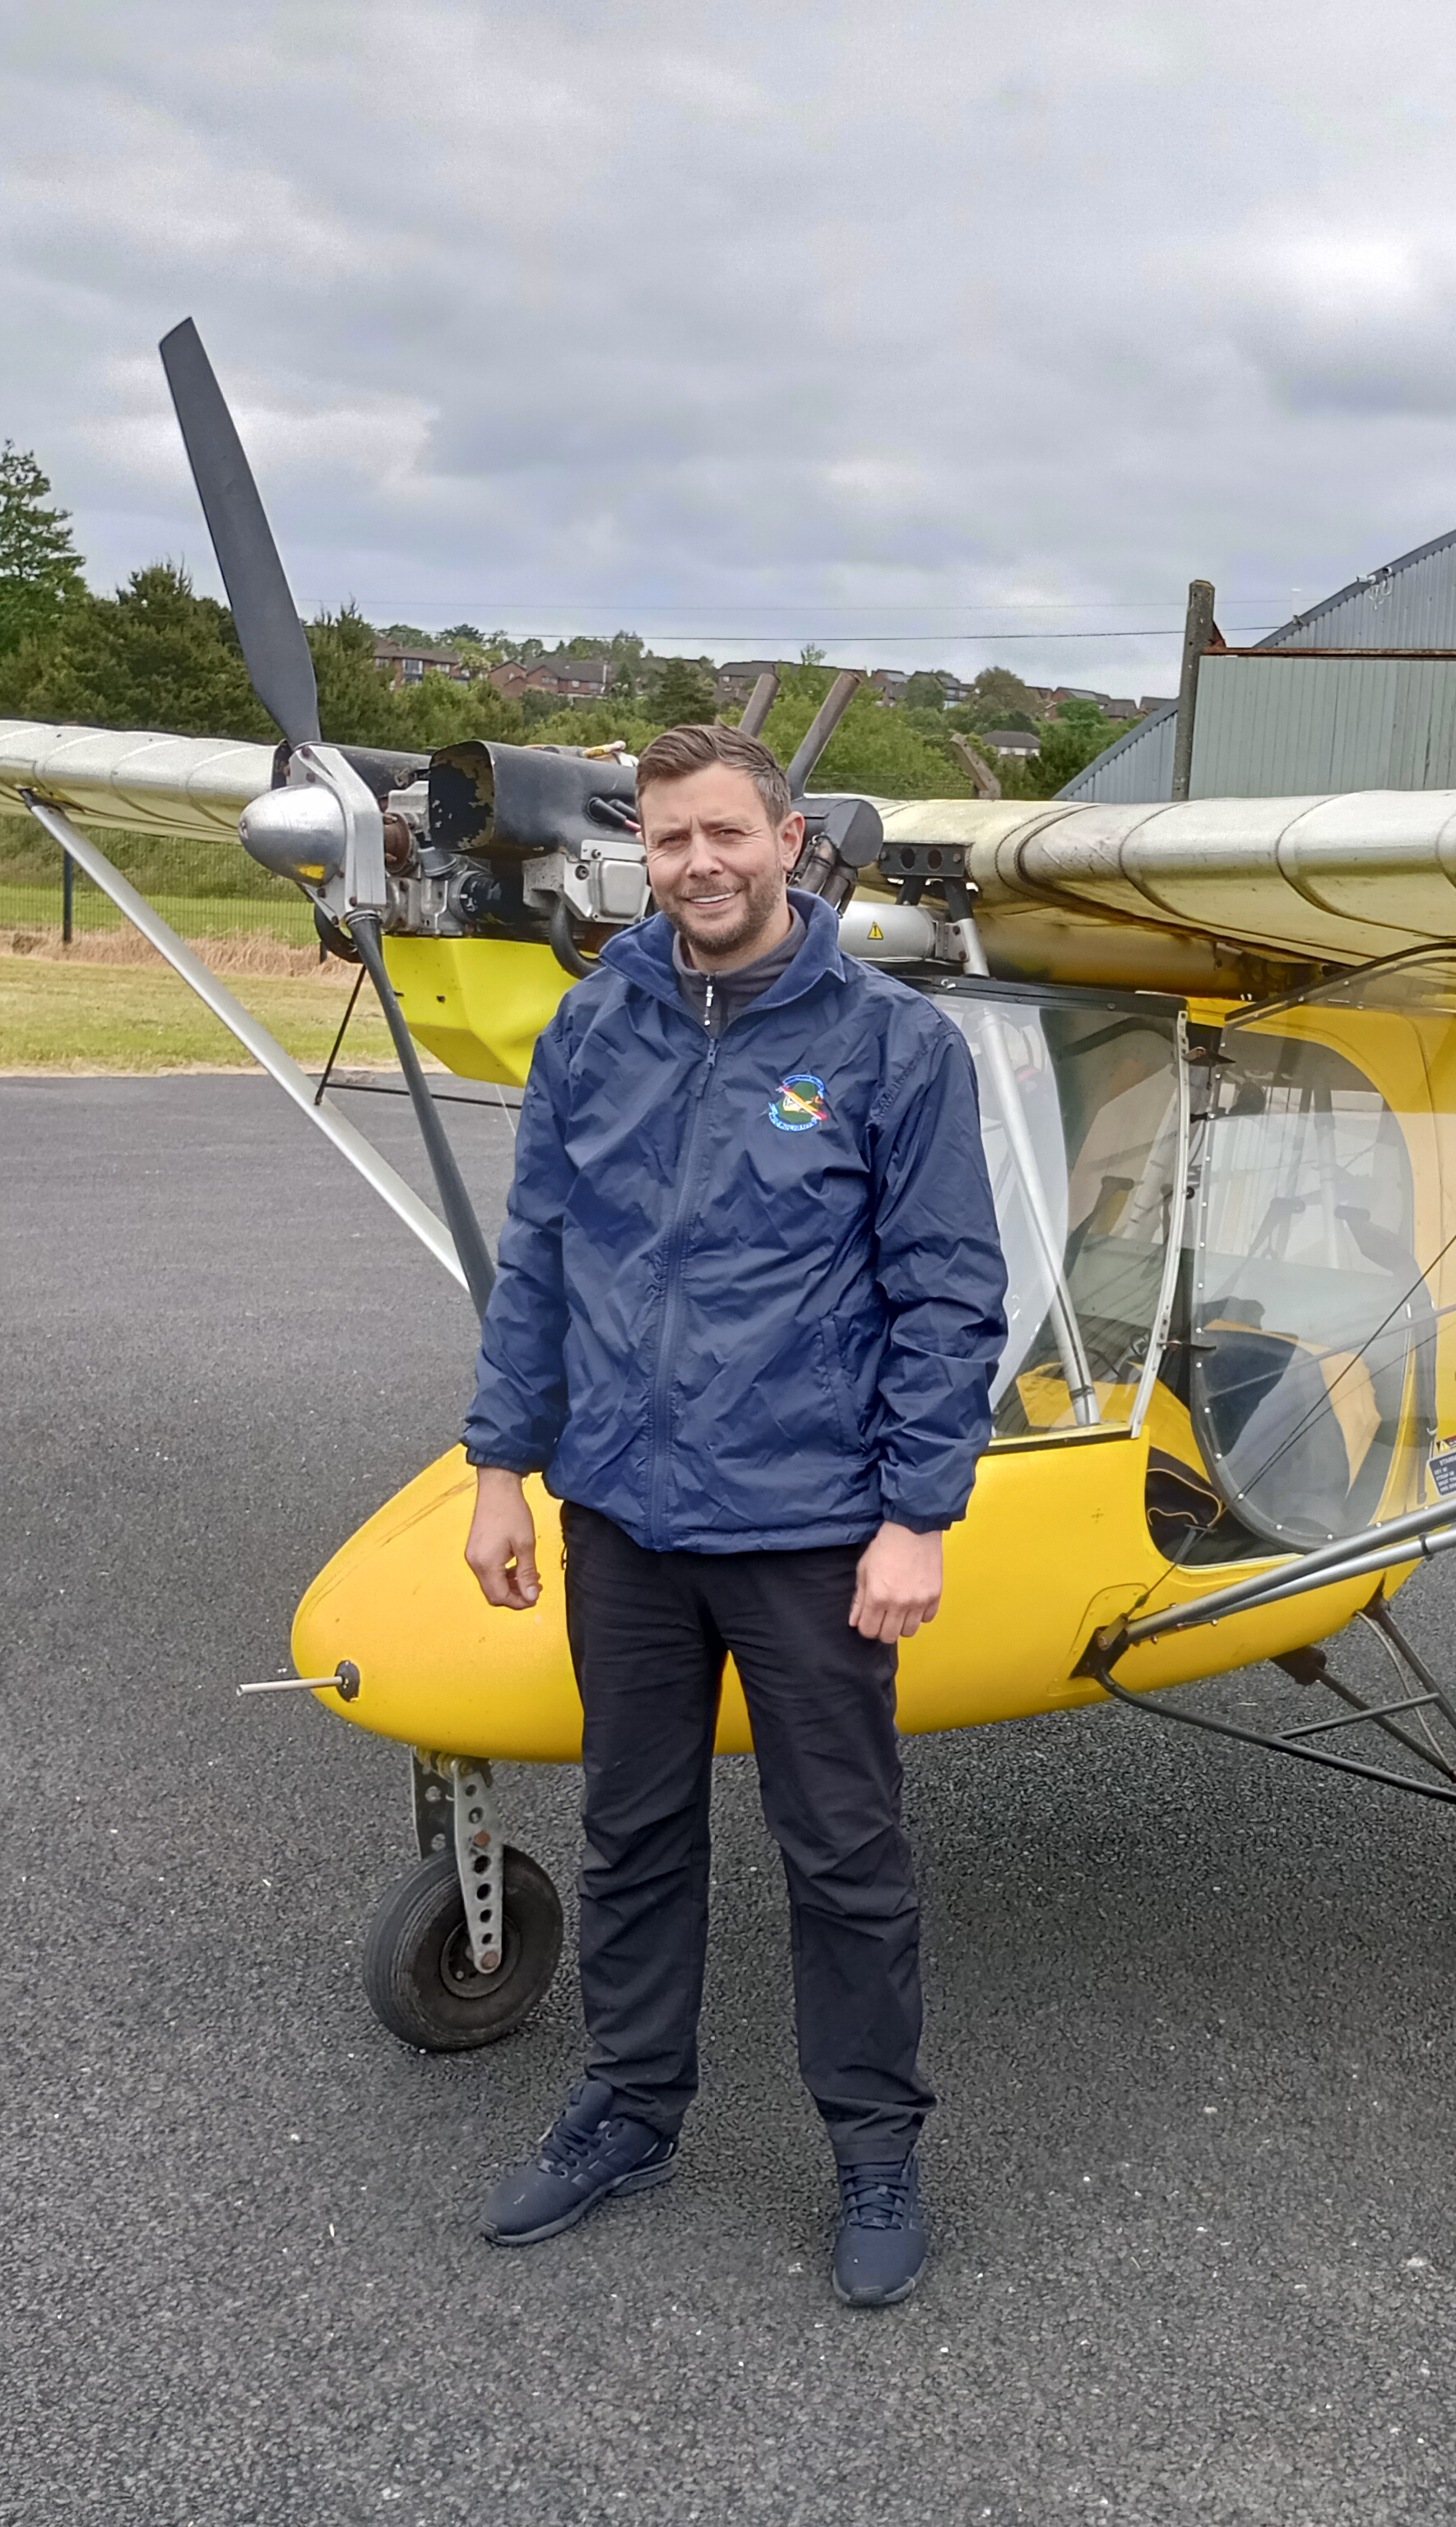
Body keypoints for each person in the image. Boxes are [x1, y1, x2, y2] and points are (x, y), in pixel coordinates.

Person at [457, 720, 1005, 2308]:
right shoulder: (597, 1023)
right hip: (623, 1513)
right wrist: (503, 1465)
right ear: (647, 848)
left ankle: (875, 2147)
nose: (698, 864)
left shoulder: (892, 1041)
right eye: (670, 839)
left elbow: (950, 1296)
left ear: (785, 843)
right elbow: (541, 1256)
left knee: (842, 1853)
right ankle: (629, 2110)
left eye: (726, 836)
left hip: (810, 1524)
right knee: (632, 1834)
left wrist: (918, 1515)